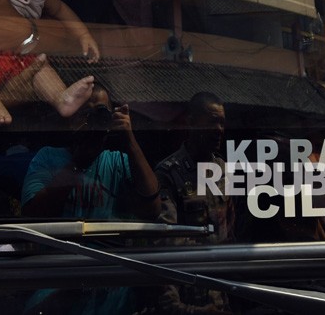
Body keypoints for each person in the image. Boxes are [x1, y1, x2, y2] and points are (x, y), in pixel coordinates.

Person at [21, 82, 160, 220]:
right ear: (71, 118)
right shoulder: (48, 157)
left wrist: (130, 140)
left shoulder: (118, 162)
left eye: (101, 113)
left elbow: (153, 210)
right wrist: (77, 164)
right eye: (85, 113)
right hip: (59, 242)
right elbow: (32, 214)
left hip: (107, 242)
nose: (93, 121)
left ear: (111, 118)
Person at [153, 92, 235, 314]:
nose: (219, 129)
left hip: (222, 295)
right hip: (189, 296)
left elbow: (229, 233)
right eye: (211, 121)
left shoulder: (223, 170)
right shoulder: (169, 172)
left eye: (221, 122)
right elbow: (165, 247)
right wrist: (184, 309)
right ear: (191, 122)